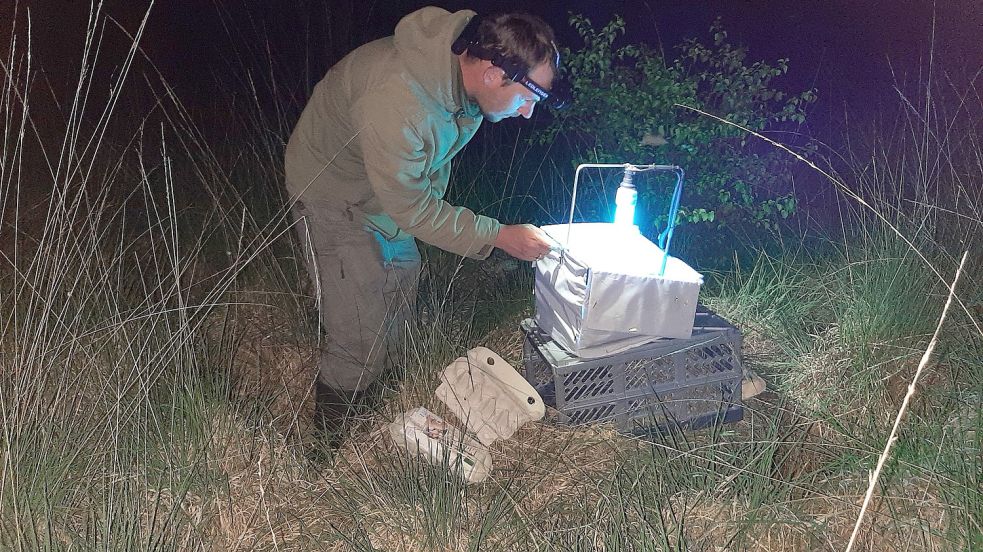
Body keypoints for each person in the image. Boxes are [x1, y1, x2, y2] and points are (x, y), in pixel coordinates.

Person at [283, 7, 559, 431]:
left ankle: (374, 399)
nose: (527, 113)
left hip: (384, 193)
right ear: (491, 74)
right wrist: (499, 236)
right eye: (528, 97)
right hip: (335, 197)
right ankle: (328, 446)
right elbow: (412, 208)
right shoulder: (398, 101)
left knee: (398, 292)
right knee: (360, 331)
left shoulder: (456, 80)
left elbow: (416, 183)